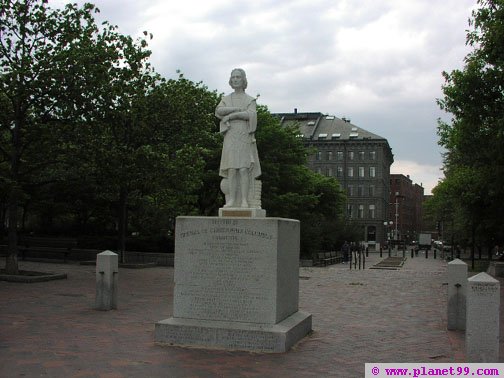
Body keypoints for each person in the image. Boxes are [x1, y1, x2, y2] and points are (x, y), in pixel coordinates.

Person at [215, 68, 261, 208]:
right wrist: (236, 110)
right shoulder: (226, 99)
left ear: (243, 80)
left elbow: (250, 115)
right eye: (233, 77)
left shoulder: (249, 99)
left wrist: (231, 116)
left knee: (243, 168)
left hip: (243, 134)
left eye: (238, 77)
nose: (235, 79)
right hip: (230, 135)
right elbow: (219, 111)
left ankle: (244, 201)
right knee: (231, 169)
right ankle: (232, 200)